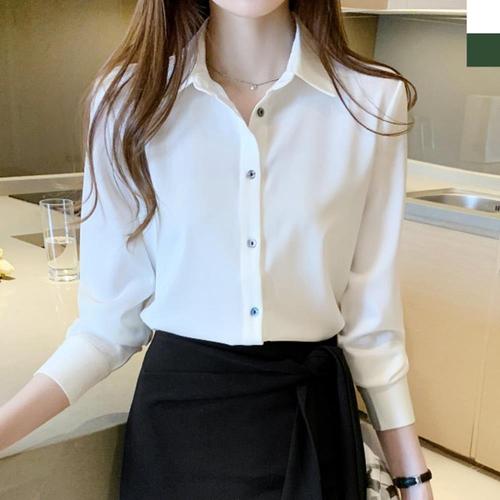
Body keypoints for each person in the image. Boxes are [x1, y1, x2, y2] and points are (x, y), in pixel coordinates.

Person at [0, 1, 434, 499]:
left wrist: (413, 478)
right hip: (178, 434)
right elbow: (107, 327)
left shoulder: (371, 99)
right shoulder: (126, 99)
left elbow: (371, 318)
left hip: (311, 426)